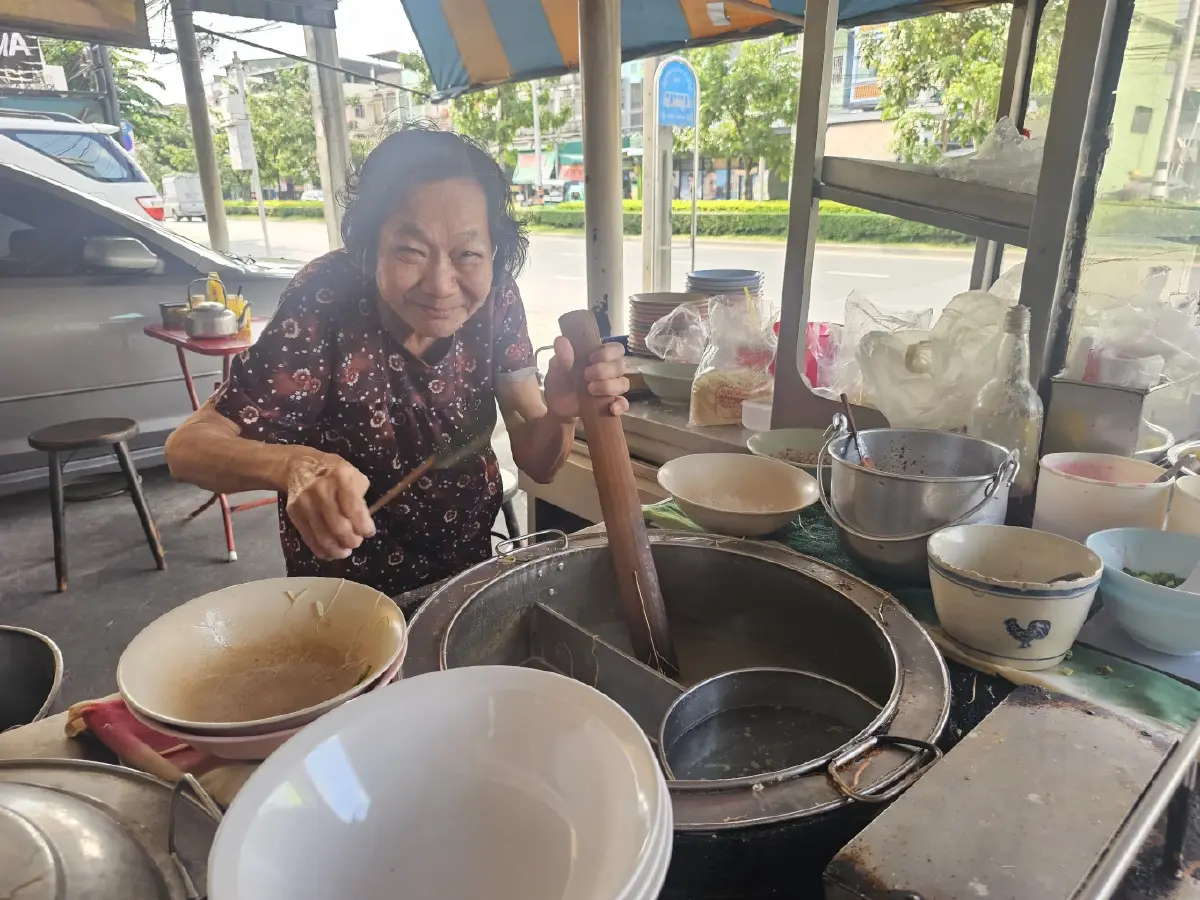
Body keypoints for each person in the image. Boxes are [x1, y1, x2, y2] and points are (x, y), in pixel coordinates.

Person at [165, 124, 628, 597]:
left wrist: (564, 415)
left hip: (465, 575)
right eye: (411, 251)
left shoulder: (496, 297)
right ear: (369, 250)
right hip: (344, 595)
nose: (442, 284)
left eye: (468, 252)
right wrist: (294, 465)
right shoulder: (325, 299)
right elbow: (187, 448)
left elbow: (539, 461)